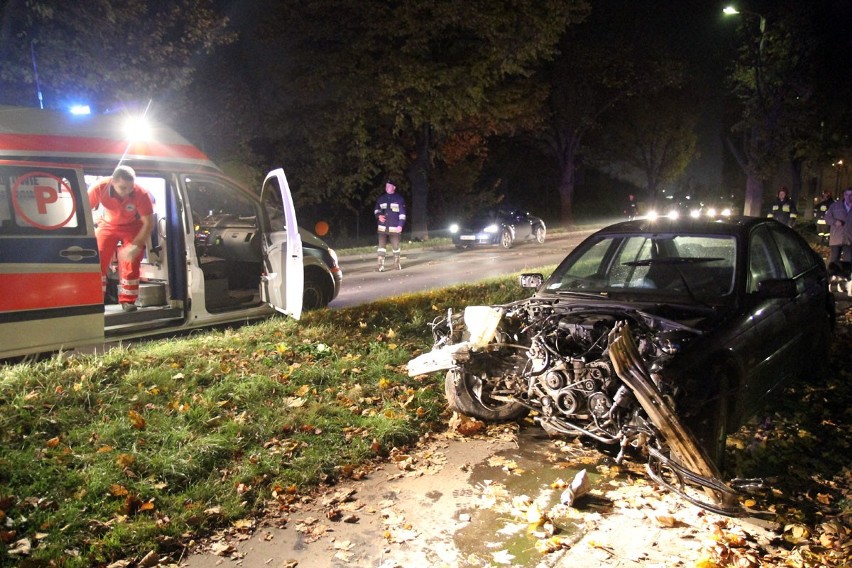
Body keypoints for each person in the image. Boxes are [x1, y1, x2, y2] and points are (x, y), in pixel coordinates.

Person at [88, 165, 154, 311]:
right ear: (113, 182)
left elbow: (148, 223)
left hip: (132, 227)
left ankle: (128, 301)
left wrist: (136, 245)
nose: (128, 192)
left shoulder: (141, 193)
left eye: (130, 188)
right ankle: (96, 300)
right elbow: (83, 209)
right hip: (107, 225)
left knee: (131, 263)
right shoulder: (100, 188)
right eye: (123, 188)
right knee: (97, 259)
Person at [374, 178, 406, 271]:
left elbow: (402, 214)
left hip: (394, 228)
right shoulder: (381, 198)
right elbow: (376, 210)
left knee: (396, 247)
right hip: (382, 228)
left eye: (389, 186)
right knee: (381, 247)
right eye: (386, 186)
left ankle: (397, 264)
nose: (387, 187)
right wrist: (378, 216)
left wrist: (400, 225)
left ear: (394, 187)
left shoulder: (399, 199)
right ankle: (380, 265)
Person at [824, 187, 852, 268]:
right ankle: (833, 278)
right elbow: (827, 218)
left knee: (849, 262)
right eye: (846, 194)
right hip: (836, 239)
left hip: (849, 240)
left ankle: (847, 278)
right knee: (834, 263)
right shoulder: (835, 206)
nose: (848, 197)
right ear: (844, 195)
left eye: (851, 195)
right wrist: (834, 222)